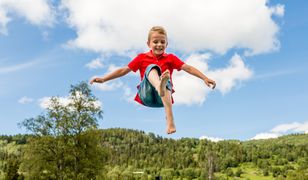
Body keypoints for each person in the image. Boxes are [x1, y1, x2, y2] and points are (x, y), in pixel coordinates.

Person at [90, 26, 216, 134]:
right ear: (149, 44)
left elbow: (187, 68)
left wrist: (204, 78)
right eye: (155, 42)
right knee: (152, 68)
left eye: (162, 42)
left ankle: (169, 117)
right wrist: (103, 79)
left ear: (166, 44)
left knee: (166, 80)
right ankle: (158, 85)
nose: (159, 45)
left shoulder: (170, 58)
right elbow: (123, 70)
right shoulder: (142, 58)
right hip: (147, 94)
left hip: (163, 99)